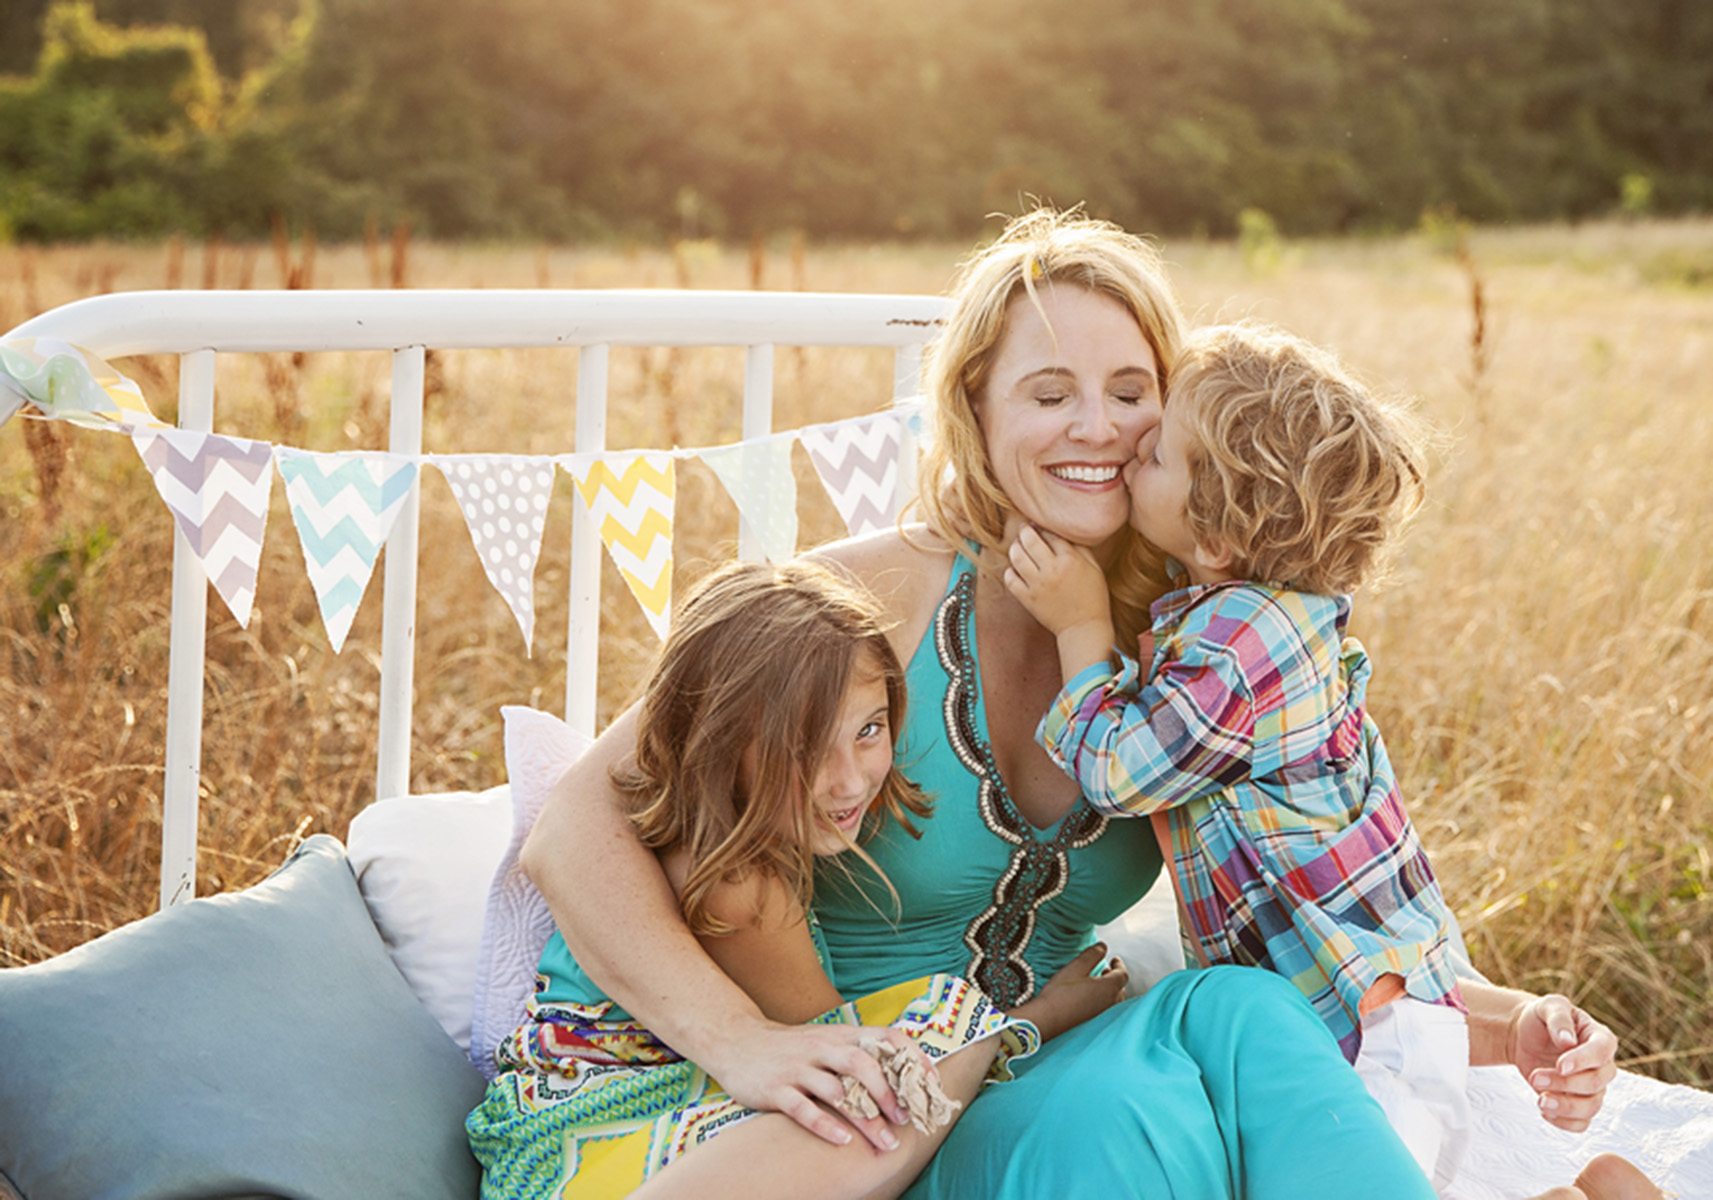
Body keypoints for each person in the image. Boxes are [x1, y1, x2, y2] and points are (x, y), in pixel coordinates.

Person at [519, 208, 1627, 1199]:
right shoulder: (872, 596)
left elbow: (1333, 880)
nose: (1097, 428)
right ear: (974, 410)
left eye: (1132, 394)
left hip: (1004, 1074)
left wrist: (1511, 1020)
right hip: (813, 1094)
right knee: (1137, 1119)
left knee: (1241, 1019)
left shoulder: (1212, 650)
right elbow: (577, 826)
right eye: (1049, 394)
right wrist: (740, 1042)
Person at [468, 559, 1114, 1199]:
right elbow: (846, 1069)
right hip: (591, 1132)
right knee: (922, 1054)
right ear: (721, 741)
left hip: (666, 1116)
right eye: (804, 747)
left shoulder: (750, 835)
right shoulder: (732, 880)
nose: (850, 779)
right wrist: (1037, 1018)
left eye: (867, 730)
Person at [1004, 321, 1470, 1188]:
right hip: (1379, 998)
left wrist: (1078, 624)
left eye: (1159, 453)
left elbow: (1118, 773)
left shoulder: (1236, 644)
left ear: (1217, 541)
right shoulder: (1280, 613)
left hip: (1353, 1022)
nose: (1131, 443)